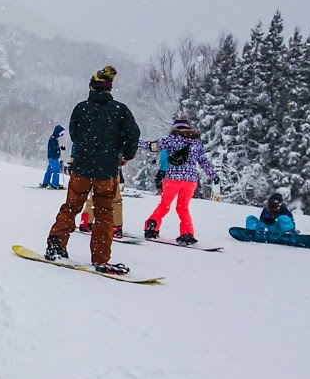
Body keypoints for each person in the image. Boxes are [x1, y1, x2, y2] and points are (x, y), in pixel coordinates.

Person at [45, 66, 140, 275]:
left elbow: (75, 134)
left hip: (82, 167)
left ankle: (55, 245)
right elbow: (133, 135)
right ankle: (100, 257)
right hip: (106, 171)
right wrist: (124, 155)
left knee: (71, 206)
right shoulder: (120, 111)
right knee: (104, 213)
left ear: (91, 87)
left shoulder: (81, 108)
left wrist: (87, 151)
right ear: (109, 89)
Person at [139, 116, 218, 245]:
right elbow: (204, 162)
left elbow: (151, 146)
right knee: (183, 208)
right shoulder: (196, 143)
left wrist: (133, 141)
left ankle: (152, 225)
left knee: (164, 205)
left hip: (172, 179)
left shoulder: (170, 140)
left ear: (175, 128)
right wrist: (213, 175)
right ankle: (187, 233)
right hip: (190, 181)